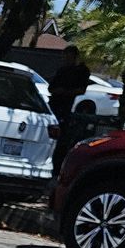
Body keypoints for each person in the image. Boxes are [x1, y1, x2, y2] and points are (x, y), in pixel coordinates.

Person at [48, 45, 92, 173]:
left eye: (68, 56)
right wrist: (58, 91)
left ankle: (57, 166)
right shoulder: (62, 70)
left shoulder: (82, 71)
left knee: (63, 138)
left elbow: (81, 90)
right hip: (55, 105)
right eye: (64, 56)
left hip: (66, 108)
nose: (66, 58)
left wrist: (66, 92)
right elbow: (51, 88)